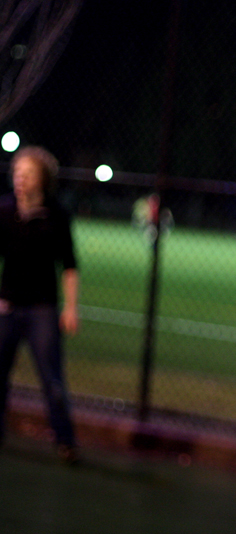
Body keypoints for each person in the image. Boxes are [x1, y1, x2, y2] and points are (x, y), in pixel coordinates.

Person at [0, 145, 80, 464]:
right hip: (7, 306)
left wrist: (71, 308)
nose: (20, 179)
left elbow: (70, 265)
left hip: (42, 309)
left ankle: (65, 440)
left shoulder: (56, 216)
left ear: (42, 179)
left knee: (52, 380)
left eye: (28, 174)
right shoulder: (4, 211)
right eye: (17, 173)